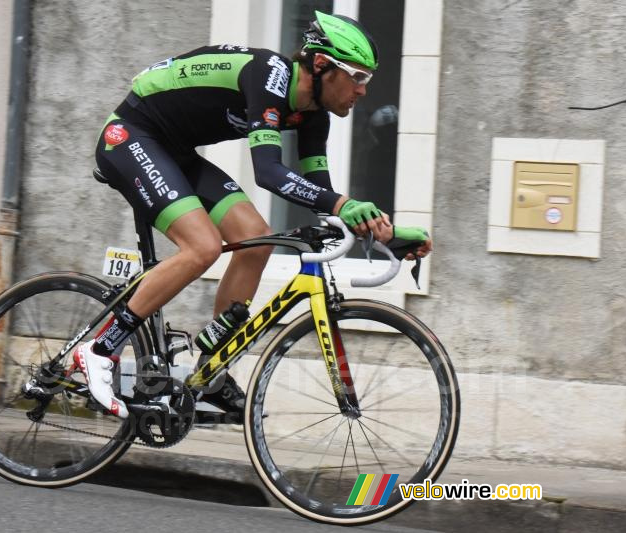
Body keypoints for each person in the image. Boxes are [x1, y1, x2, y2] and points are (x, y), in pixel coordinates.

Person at [73, 11, 433, 419]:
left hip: (175, 153)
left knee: (255, 238)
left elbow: (323, 196)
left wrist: (383, 233)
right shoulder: (270, 75)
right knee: (203, 247)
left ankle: (209, 375)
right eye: (358, 76)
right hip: (131, 136)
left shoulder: (313, 113)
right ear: (321, 65)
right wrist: (343, 205)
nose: (363, 90)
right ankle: (101, 348)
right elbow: (269, 173)